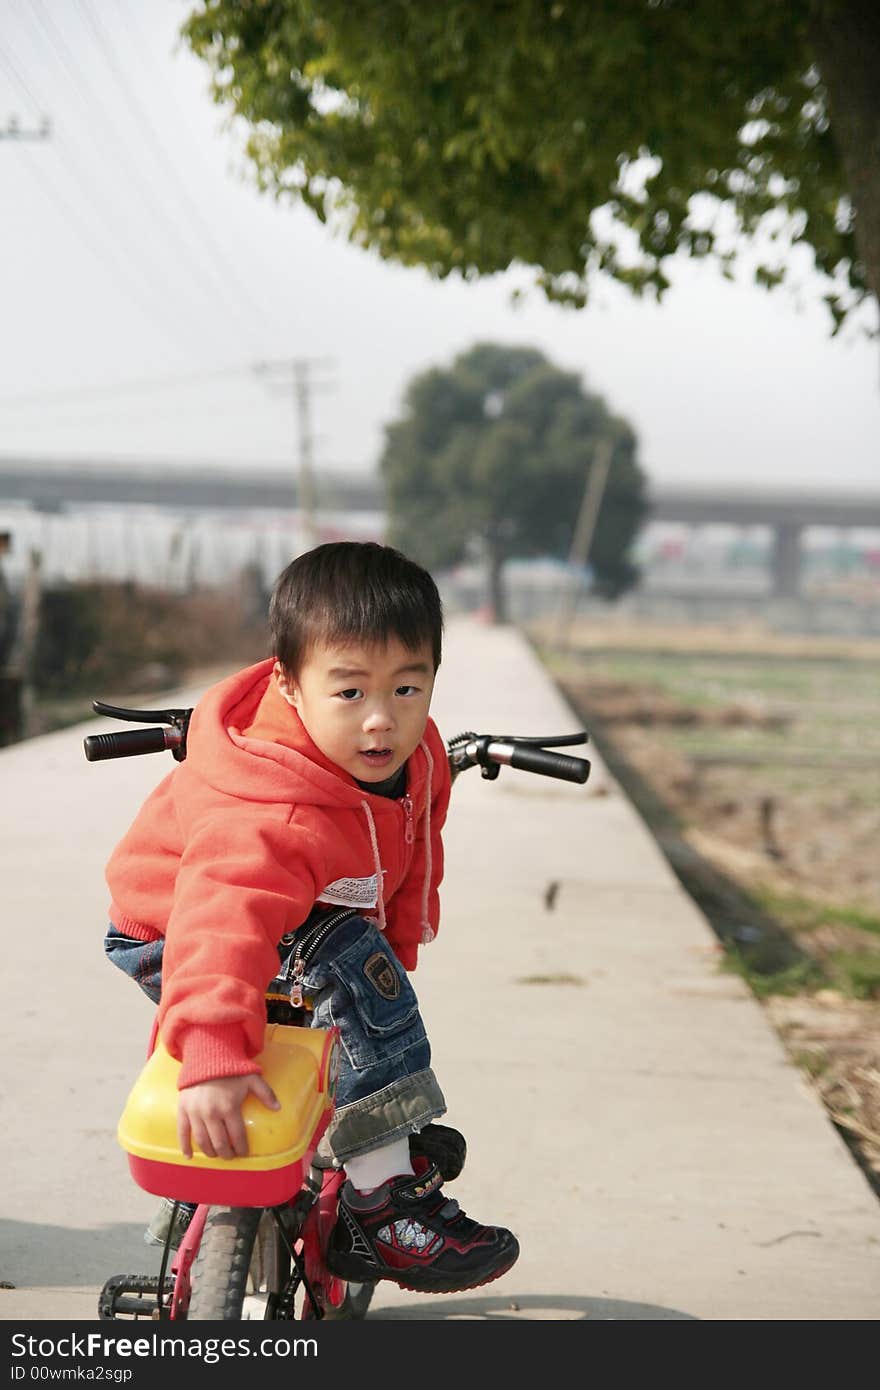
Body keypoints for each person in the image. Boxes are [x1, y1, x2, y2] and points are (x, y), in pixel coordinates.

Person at [102, 541, 519, 1295]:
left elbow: (409, 850)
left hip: (295, 921)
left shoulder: (414, 755)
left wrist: (399, 945)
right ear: (291, 687)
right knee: (350, 967)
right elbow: (219, 926)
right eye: (350, 693)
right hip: (177, 933)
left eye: (407, 688)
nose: (382, 723)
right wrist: (213, 1054)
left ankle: (342, 1150)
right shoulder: (275, 811)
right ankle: (382, 1201)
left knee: (356, 969)